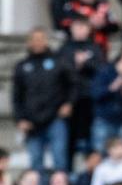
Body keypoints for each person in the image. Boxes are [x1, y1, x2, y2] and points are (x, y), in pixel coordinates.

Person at [13, 27, 76, 175]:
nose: (37, 42)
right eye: (34, 39)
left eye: (40, 39)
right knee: (35, 164)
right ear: (29, 42)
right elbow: (17, 96)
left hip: (55, 119)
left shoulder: (59, 62)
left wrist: (69, 103)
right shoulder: (22, 66)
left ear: (46, 41)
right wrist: (20, 119)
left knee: (59, 161)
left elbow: (73, 85)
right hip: (32, 123)